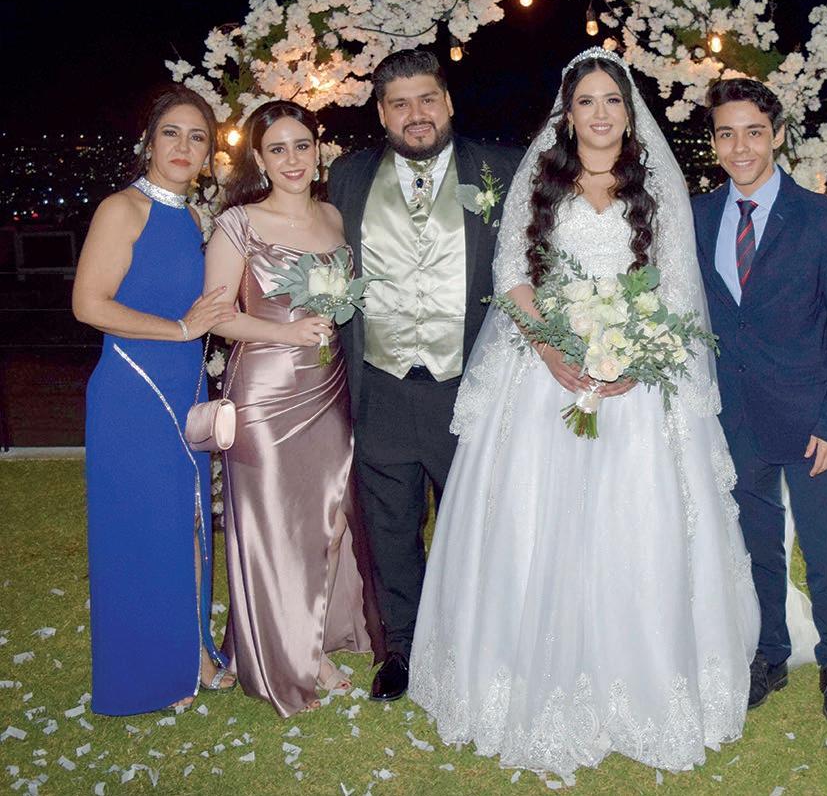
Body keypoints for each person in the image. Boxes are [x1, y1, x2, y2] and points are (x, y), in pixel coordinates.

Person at [408, 48, 760, 782]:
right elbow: (512, 273)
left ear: (630, 114)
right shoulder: (541, 180)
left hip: (636, 384)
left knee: (638, 521)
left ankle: (642, 675)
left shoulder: (656, 189)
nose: (600, 114)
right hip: (545, 374)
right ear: (566, 116)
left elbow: (675, 288)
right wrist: (549, 349)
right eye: (586, 102)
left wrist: (638, 355)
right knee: (532, 521)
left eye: (612, 101)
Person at [327, 50, 521, 701]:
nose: (416, 115)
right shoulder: (348, 176)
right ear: (382, 114)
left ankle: (474, 643)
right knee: (389, 528)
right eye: (400, 104)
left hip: (467, 386)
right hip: (379, 384)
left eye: (427, 99)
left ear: (449, 102)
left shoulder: (501, 169)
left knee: (477, 525)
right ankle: (402, 649)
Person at [691, 78, 827, 725]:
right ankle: (770, 653)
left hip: (812, 422)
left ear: (778, 136)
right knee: (757, 547)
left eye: (754, 133)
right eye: (727, 134)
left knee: (823, 552)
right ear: (714, 142)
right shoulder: (698, 216)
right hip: (735, 419)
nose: (741, 148)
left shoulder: (820, 217)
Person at [204, 100, 383, 716]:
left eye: (301, 145)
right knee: (278, 524)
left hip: (329, 386)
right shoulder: (239, 224)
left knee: (331, 521)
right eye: (276, 149)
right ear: (258, 159)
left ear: (318, 150)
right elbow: (217, 315)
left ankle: (313, 633)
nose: (291, 159)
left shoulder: (334, 216)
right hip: (265, 390)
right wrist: (285, 332)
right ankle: (293, 656)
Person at [74, 84, 238, 714]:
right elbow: (89, 305)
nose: (183, 146)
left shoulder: (194, 220)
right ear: (147, 141)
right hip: (131, 393)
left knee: (188, 520)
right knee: (142, 527)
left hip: (185, 385)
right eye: (172, 132)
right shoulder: (122, 210)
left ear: (209, 154)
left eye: (198, 137)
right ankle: (152, 670)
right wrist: (179, 329)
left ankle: (191, 653)